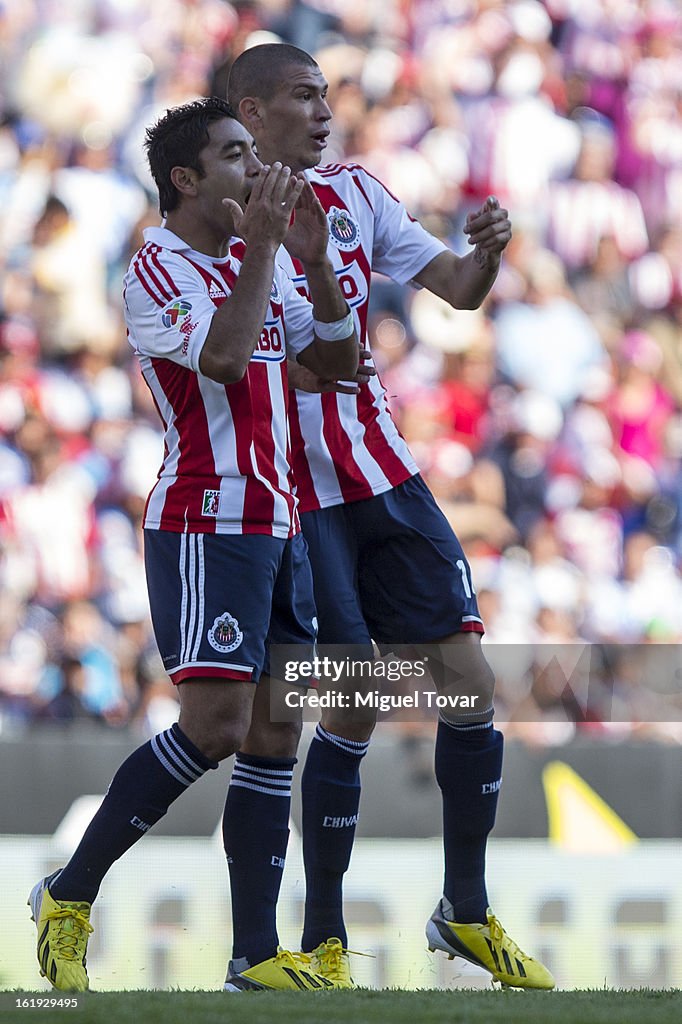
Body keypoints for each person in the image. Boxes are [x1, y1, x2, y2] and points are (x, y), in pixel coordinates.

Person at [228, 44, 555, 990]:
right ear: (251, 111)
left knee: (467, 682)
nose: (324, 110)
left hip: (385, 476)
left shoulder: (359, 192)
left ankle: (465, 910)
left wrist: (488, 252)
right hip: (297, 491)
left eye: (326, 95)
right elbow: (223, 357)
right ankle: (324, 938)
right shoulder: (220, 217)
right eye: (302, 95)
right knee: (356, 695)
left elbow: (455, 287)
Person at [28, 96, 358, 993]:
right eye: (236, 154)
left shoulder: (266, 263)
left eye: (254, 154)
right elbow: (221, 360)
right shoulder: (156, 269)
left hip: (282, 517)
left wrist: (319, 265)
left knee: (274, 732)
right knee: (214, 726)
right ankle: (69, 891)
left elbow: (332, 364)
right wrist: (262, 251)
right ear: (187, 178)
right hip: (207, 518)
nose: (257, 168)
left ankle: (255, 959)